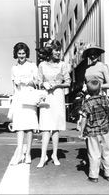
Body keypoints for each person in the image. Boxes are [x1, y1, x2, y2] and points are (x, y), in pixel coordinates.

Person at [37, 39, 71, 168]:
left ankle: (55, 154)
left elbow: (68, 82)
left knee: (56, 127)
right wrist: (43, 84)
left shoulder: (62, 65)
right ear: (50, 51)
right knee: (45, 126)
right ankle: (43, 156)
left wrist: (57, 84)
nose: (58, 52)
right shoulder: (42, 65)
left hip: (57, 96)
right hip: (46, 96)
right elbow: (38, 81)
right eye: (56, 50)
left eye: (59, 50)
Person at [79, 79, 109, 183]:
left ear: (88, 91)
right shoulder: (104, 99)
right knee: (107, 152)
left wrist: (81, 131)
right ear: (100, 89)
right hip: (104, 130)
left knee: (94, 153)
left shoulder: (87, 102)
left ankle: (94, 176)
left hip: (92, 131)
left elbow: (84, 118)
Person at [10, 42, 39, 165]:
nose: (21, 55)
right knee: (19, 127)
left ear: (27, 53)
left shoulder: (32, 66)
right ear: (16, 54)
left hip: (30, 98)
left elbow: (37, 82)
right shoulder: (14, 68)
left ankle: (28, 154)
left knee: (29, 127)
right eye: (19, 53)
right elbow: (14, 87)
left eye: (23, 53)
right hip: (19, 98)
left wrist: (27, 81)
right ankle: (20, 154)